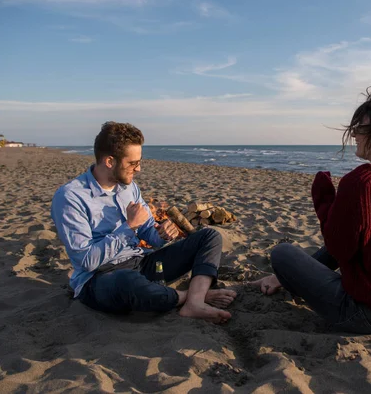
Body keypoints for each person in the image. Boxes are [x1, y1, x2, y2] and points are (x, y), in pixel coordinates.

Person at [252, 87, 371, 334]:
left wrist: (325, 202)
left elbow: (339, 247)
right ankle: (279, 280)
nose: (354, 136)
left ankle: (282, 277)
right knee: (358, 239)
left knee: (282, 253)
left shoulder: (361, 181)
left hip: (368, 314)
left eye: (359, 128)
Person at [51, 121, 236, 323]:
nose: (138, 169)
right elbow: (86, 262)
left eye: (139, 161)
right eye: (132, 163)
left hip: (142, 262)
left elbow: (151, 236)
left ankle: (194, 302)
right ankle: (190, 297)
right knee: (127, 282)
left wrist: (162, 233)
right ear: (110, 162)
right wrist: (129, 227)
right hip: (101, 277)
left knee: (209, 236)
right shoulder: (71, 197)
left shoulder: (129, 187)